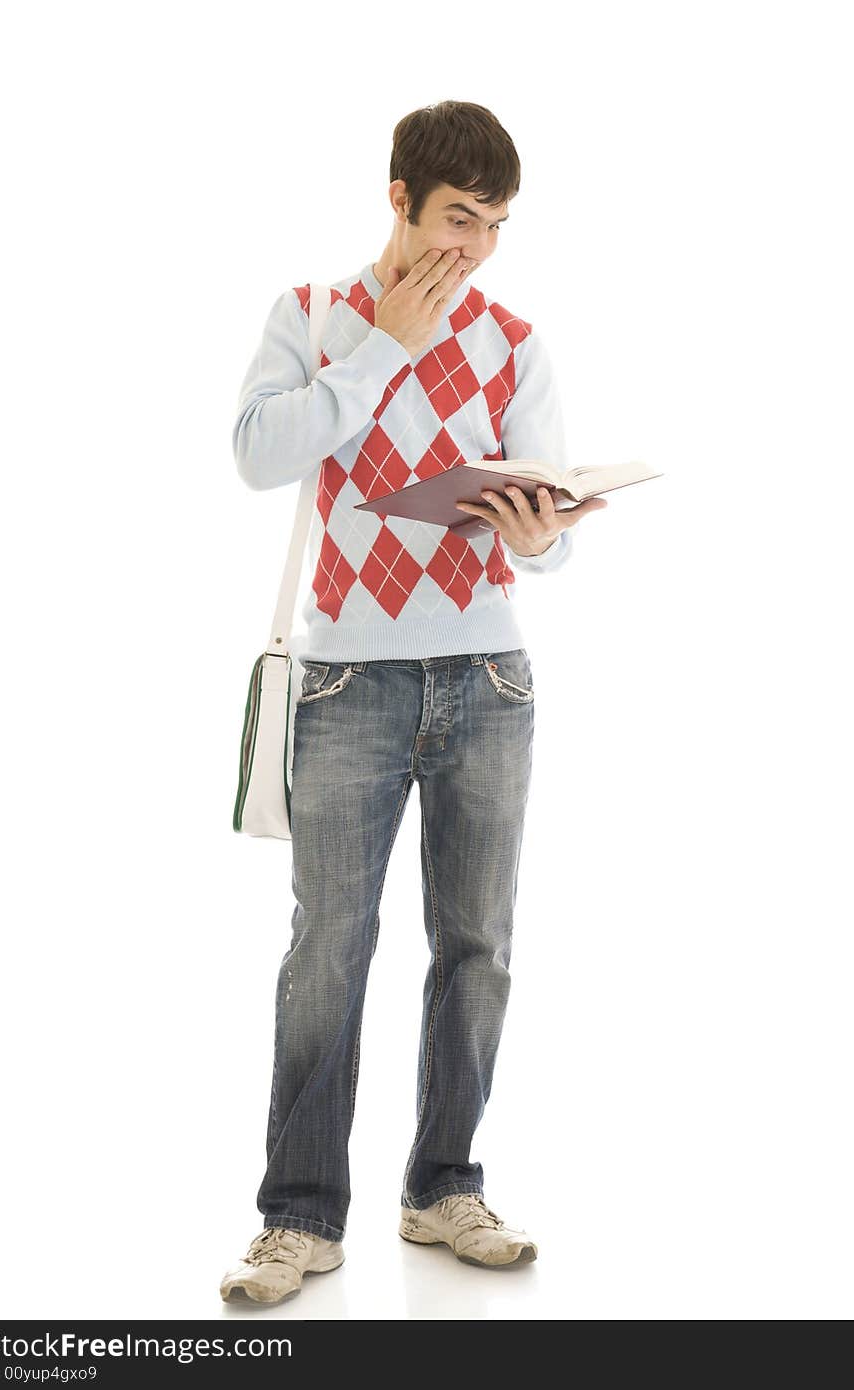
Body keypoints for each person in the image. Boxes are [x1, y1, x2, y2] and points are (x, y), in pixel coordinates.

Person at [220, 100, 607, 1306]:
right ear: (397, 196)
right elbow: (256, 451)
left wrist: (542, 536)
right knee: (327, 950)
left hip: (489, 678)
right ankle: (298, 1218)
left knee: (477, 949)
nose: (476, 245)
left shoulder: (511, 338)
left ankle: (444, 1186)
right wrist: (381, 348)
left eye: (495, 222)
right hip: (347, 680)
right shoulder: (315, 317)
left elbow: (540, 532)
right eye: (456, 217)